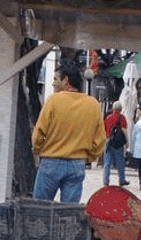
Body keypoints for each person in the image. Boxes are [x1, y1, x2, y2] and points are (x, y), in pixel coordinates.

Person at [31, 65, 105, 203]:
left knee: (40, 209)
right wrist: (89, 157)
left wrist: (38, 149)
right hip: (77, 164)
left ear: (66, 80)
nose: (53, 83)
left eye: (55, 79)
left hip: (51, 161)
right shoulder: (93, 104)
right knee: (69, 211)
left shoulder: (53, 100)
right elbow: (100, 139)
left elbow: (39, 132)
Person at [106, 102, 131, 187]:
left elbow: (104, 130)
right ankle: (121, 180)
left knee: (107, 162)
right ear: (120, 109)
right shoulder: (122, 118)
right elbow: (124, 131)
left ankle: (106, 181)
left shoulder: (108, 117)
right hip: (118, 143)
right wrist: (127, 143)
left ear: (113, 108)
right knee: (120, 162)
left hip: (108, 141)